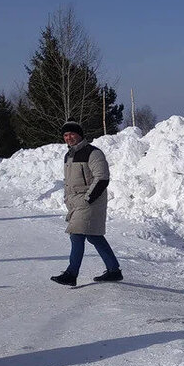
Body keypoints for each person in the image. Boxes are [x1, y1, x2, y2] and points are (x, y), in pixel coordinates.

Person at [50, 121, 123, 287]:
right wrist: (68, 198)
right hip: (75, 202)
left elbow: (102, 178)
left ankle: (71, 273)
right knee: (94, 236)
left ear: (80, 134)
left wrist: (88, 198)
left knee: (76, 235)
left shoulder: (93, 153)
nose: (69, 137)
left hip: (90, 201)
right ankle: (114, 271)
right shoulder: (68, 155)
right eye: (66, 135)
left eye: (72, 134)